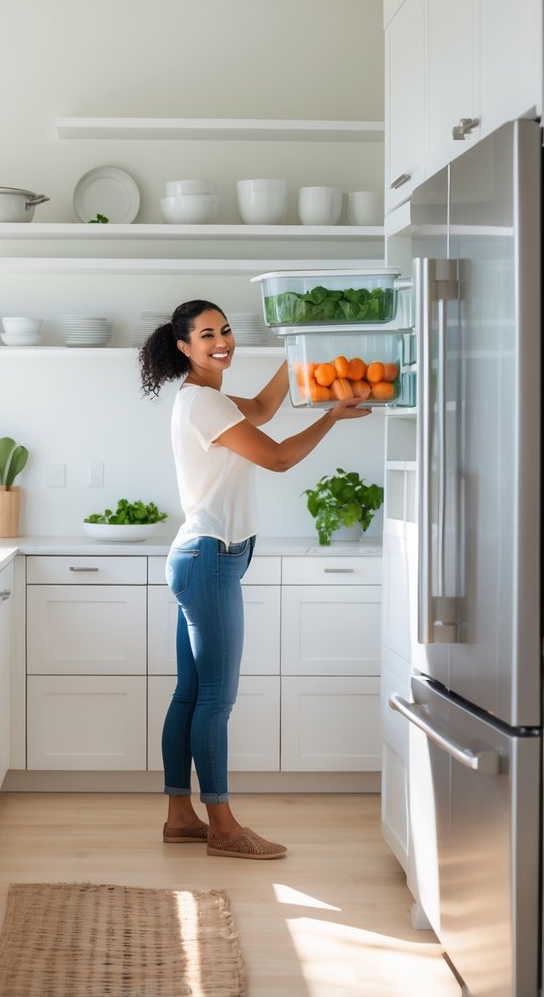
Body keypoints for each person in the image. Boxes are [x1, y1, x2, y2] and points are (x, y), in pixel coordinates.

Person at [139, 299, 372, 860]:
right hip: (209, 558)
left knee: (191, 694)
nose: (222, 341)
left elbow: (266, 408)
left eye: (225, 331)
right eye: (206, 335)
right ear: (183, 347)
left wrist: (301, 352)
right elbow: (280, 458)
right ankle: (223, 827)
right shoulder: (202, 403)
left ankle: (180, 818)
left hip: (203, 558)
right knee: (215, 700)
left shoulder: (206, 398)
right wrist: (331, 417)